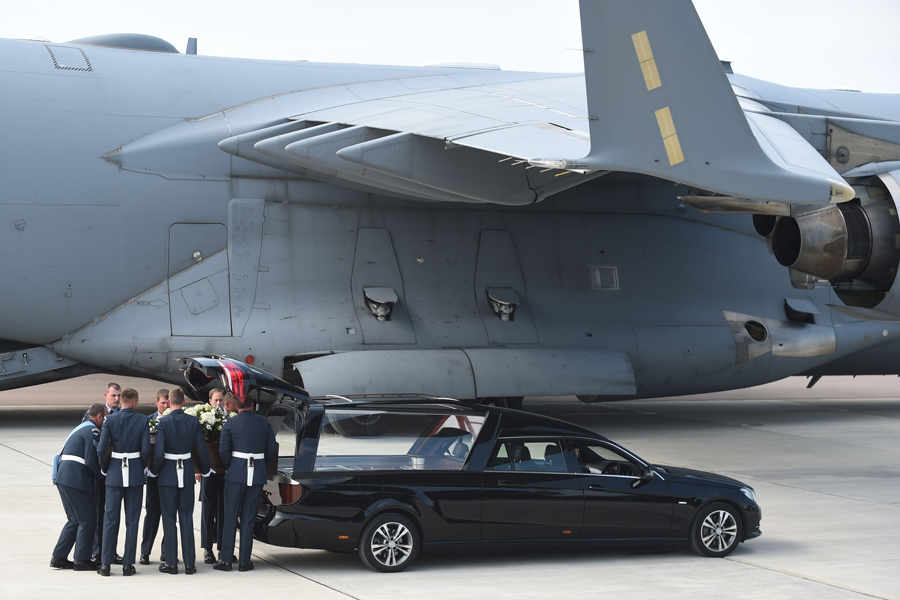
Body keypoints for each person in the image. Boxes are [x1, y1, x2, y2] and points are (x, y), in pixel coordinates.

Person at [214, 391, 275, 572]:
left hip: (236, 473)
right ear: (252, 405)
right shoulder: (263, 423)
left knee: (230, 517)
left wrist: (230, 466)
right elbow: (271, 450)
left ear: (238, 406)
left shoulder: (231, 423)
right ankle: (244, 561)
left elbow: (224, 451)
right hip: (256, 474)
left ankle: (226, 560)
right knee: (249, 518)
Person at [153, 388, 211, 575]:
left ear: (169, 402)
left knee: (169, 519)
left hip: (168, 474)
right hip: (185, 472)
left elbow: (159, 452)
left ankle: (171, 562)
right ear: (184, 402)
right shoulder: (192, 421)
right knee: (186, 517)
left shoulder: (163, 422)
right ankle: (190, 563)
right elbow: (201, 449)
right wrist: (205, 469)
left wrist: (154, 471)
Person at [96, 388, 150, 576]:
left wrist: (105, 467)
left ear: (122, 401)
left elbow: (102, 449)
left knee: (110, 520)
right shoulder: (142, 420)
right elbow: (145, 450)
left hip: (114, 473)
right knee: (132, 521)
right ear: (134, 401)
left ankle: (105, 565)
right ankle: (128, 565)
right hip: (134, 472)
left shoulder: (110, 419)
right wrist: (142, 466)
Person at [51, 403, 106, 571]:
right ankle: (81, 560)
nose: (104, 422)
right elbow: (91, 460)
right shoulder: (92, 431)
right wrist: (103, 476)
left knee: (74, 520)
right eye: (104, 418)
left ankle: (59, 557)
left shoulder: (81, 427)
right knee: (87, 520)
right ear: (98, 417)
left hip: (65, 477)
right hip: (76, 479)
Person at [84, 382, 123, 566]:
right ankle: (97, 552)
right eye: (113, 395)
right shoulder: (93, 415)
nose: (116, 399)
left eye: (118, 396)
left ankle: (111, 551)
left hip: (115, 473)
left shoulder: (122, 415)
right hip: (99, 474)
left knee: (113, 515)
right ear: (106, 395)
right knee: (99, 514)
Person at [139, 389, 169, 565]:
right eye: (162, 403)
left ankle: (166, 551)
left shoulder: (173, 421)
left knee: (169, 515)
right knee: (151, 515)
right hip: (152, 476)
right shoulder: (148, 420)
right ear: (157, 402)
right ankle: (145, 551)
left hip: (169, 473)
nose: (165, 406)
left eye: (168, 403)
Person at [200, 387, 226, 564]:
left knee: (224, 510)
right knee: (208, 510)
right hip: (209, 470)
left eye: (221, 400)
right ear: (210, 401)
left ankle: (223, 547)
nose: (218, 403)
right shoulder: (203, 417)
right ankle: (208, 548)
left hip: (224, 470)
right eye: (215, 400)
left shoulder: (228, 418)